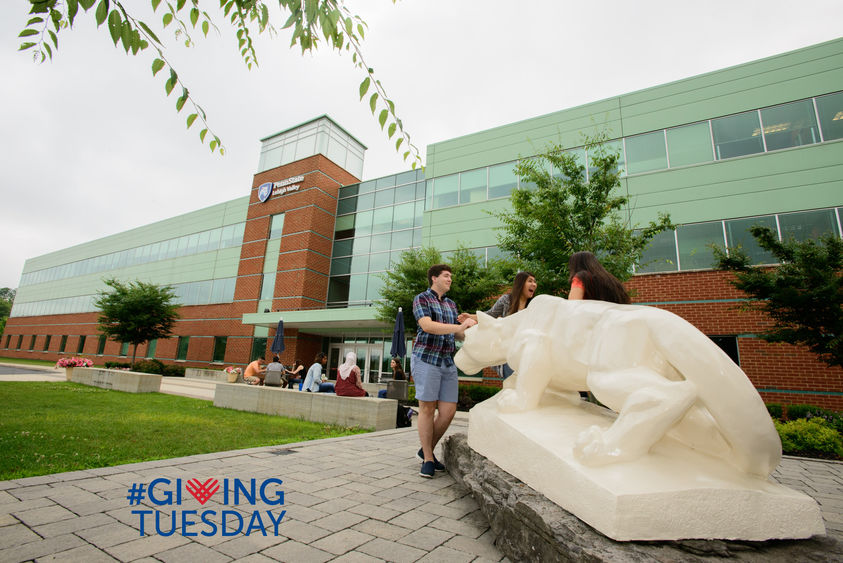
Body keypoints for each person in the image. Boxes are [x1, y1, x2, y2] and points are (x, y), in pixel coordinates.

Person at [412, 263, 476, 478]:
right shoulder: (422, 299)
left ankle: (425, 448)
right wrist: (458, 327)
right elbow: (428, 326)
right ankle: (428, 459)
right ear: (434, 278)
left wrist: (472, 328)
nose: (450, 279)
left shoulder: (451, 304)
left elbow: (456, 335)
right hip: (426, 359)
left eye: (451, 276)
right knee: (427, 409)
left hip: (447, 361)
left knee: (448, 412)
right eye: (446, 276)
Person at [458, 271, 537, 379]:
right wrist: (471, 317)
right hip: (508, 355)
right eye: (530, 281)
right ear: (521, 283)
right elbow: (491, 315)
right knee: (512, 387)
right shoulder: (506, 300)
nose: (534, 284)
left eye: (534, 282)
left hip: (527, 355)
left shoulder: (533, 306)